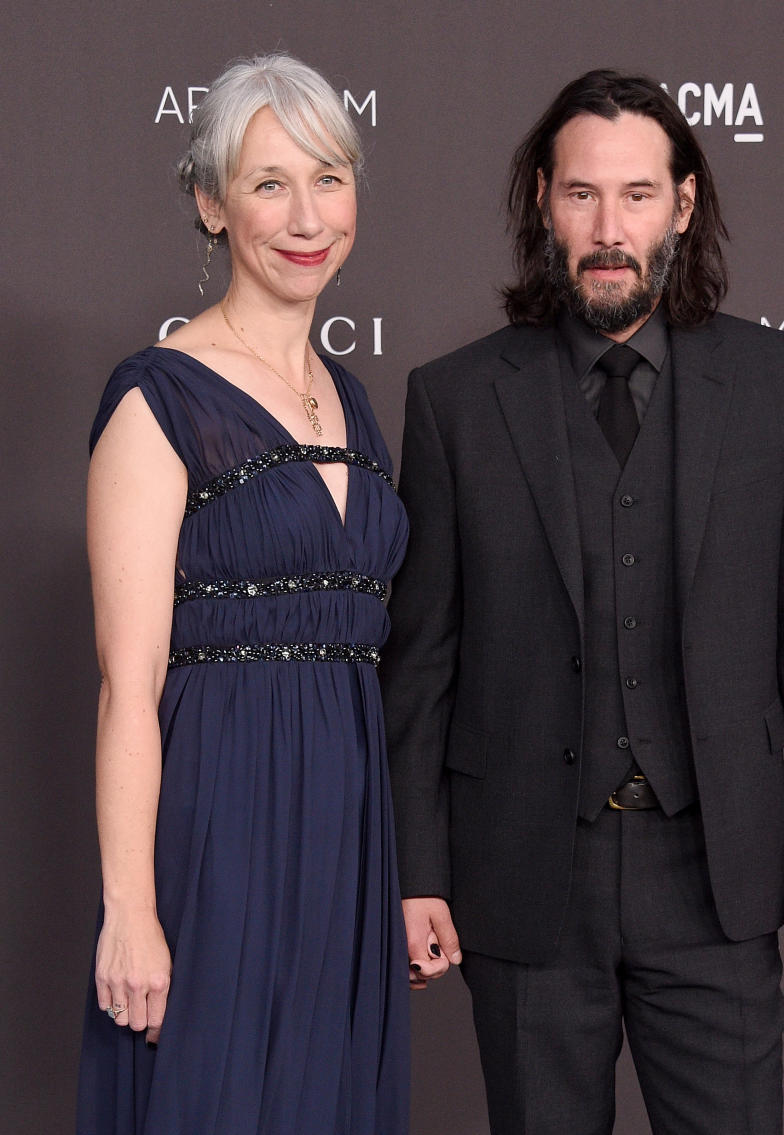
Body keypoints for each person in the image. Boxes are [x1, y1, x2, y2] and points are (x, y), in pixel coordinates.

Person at [380, 69, 784, 1135]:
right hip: (521, 877)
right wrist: (416, 871)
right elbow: (420, 663)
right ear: (542, 205)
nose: (610, 228)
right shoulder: (454, 400)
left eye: (638, 195)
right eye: (581, 195)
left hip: (718, 877)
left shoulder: (776, 380)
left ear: (683, 205)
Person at [76, 54, 409, 1135]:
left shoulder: (353, 402)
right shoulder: (157, 397)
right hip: (216, 832)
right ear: (212, 205)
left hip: (347, 839)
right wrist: (132, 910)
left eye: (328, 176)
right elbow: (130, 687)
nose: (306, 215)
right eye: (269, 183)